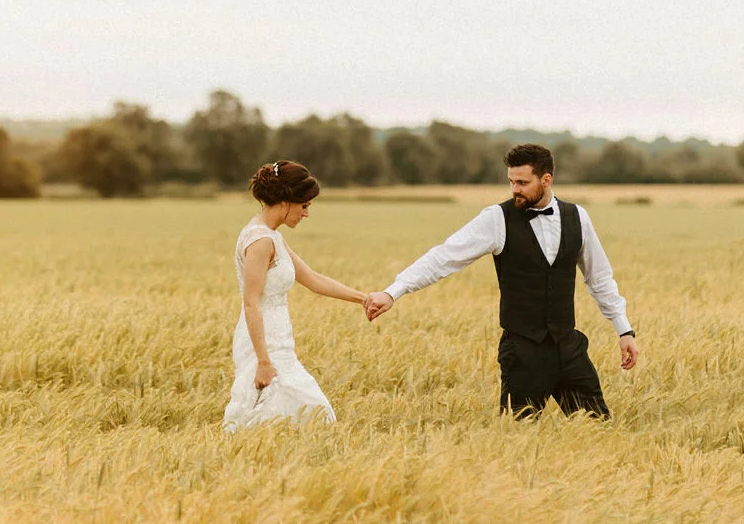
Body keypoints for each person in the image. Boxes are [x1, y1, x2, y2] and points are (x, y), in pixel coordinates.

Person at [364, 144, 640, 418]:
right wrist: (393, 292)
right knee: (516, 441)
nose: (515, 189)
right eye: (511, 182)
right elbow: (444, 257)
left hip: (568, 348)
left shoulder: (577, 217)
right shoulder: (497, 218)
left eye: (522, 182)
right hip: (522, 352)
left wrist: (623, 330)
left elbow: (599, 278)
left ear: (546, 180)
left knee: (599, 428)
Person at [223, 160, 368, 431]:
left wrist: (363, 299)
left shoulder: (272, 236)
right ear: (286, 200)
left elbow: (312, 279)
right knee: (306, 412)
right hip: (263, 342)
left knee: (295, 416)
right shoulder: (260, 241)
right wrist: (264, 361)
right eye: (305, 205)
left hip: (279, 339)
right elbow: (251, 301)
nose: (306, 213)